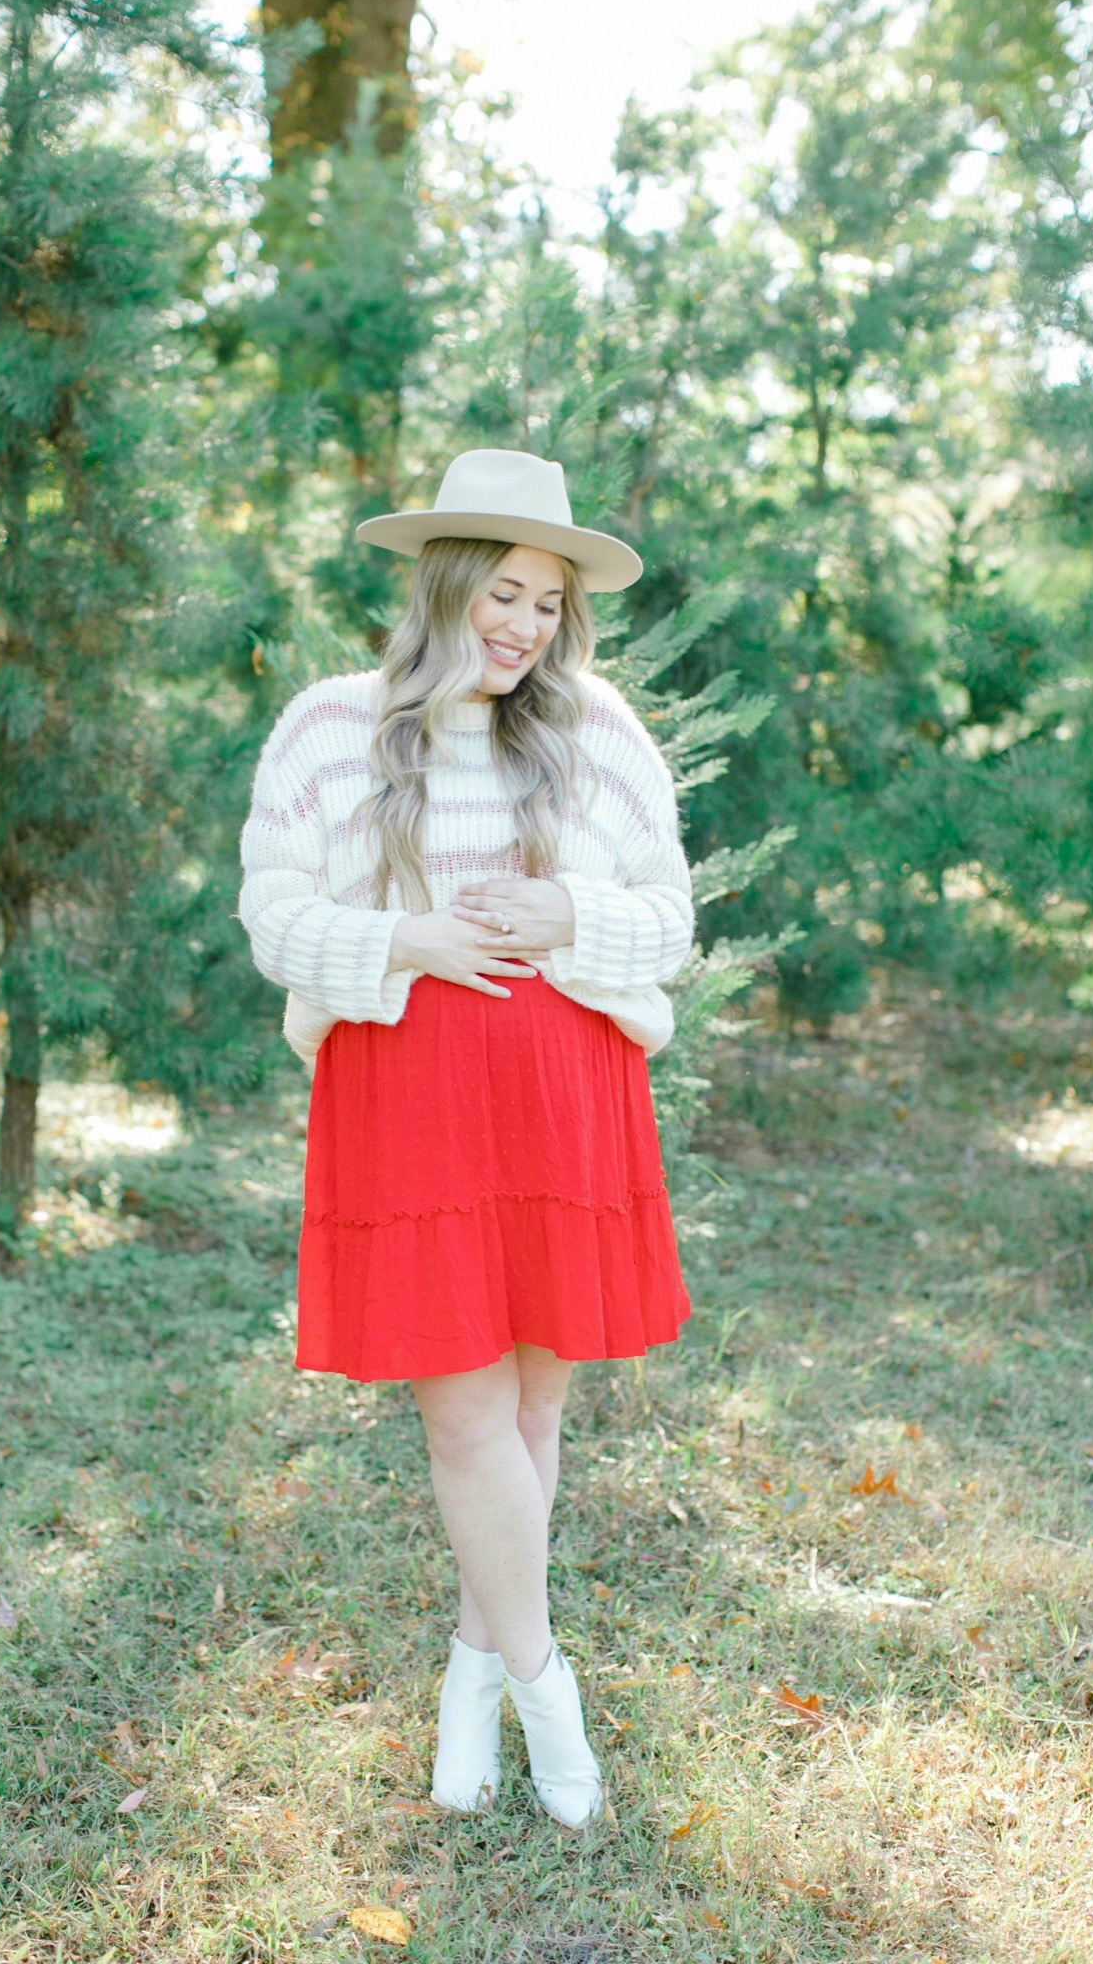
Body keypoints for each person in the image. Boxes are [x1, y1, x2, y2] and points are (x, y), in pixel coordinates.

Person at [236, 448, 695, 1830]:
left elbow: (669, 918)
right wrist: (409, 937)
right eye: (504, 593)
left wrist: (574, 920)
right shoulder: (331, 727)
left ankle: (470, 1677)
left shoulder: (595, 730)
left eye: (548, 606)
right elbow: (271, 921)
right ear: (445, 586)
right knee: (464, 1412)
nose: (524, 628)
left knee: (538, 1405)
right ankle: (545, 1695)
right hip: (409, 1082)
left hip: (567, 1077)